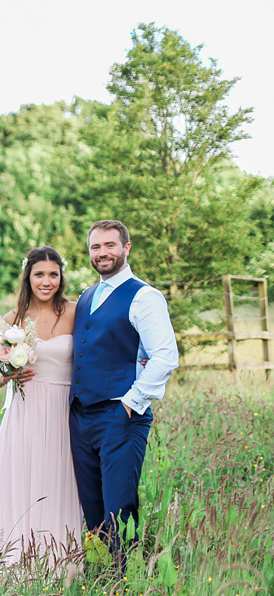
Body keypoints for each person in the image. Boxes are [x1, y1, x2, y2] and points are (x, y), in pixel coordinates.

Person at [69, 220, 178, 563]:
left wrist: (132, 402)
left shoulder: (144, 296)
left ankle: (124, 579)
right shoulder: (87, 296)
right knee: (92, 503)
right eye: (95, 247)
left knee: (120, 504)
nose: (102, 253)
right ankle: (99, 572)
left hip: (121, 414)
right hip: (81, 415)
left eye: (110, 245)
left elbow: (165, 355)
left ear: (126, 248)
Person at [0, 247, 83, 567]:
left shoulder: (76, 312)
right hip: (25, 411)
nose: (46, 281)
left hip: (64, 411)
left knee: (59, 481)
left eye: (53, 274)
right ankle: (16, 559)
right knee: (23, 480)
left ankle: (61, 559)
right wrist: (8, 374)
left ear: (61, 277)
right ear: (28, 277)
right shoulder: (14, 320)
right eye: (39, 274)